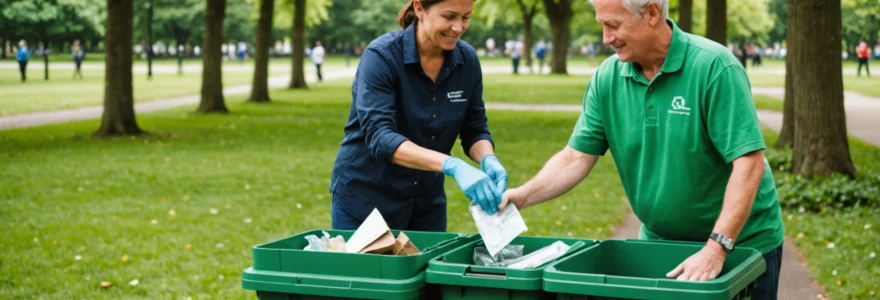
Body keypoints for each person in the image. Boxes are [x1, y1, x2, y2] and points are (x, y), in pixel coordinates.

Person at [499, 0, 784, 299]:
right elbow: (576, 157)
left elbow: (749, 162)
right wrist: (523, 196)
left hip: (739, 246)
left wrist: (716, 249)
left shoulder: (714, 66)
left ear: (651, 13)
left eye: (614, 25)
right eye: (602, 26)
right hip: (659, 246)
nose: (606, 38)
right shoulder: (607, 77)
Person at [329, 0, 506, 231]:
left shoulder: (467, 61)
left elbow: (474, 129)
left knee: (424, 269)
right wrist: (451, 164)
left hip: (426, 206)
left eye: (466, 17)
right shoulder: (381, 56)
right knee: (365, 269)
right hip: (366, 201)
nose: (458, 27)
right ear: (420, 8)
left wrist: (488, 158)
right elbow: (380, 137)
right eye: (449, 16)